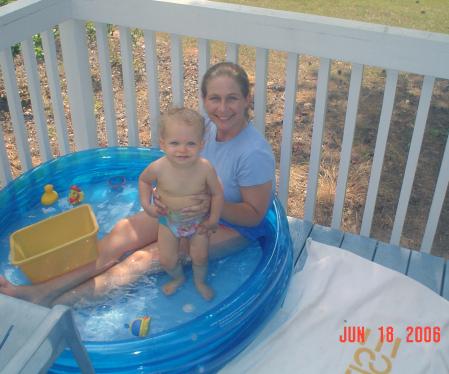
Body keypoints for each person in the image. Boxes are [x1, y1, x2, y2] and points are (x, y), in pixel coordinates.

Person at [0, 62, 276, 308]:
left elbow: (254, 216)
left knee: (141, 260)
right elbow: (178, 162)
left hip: (230, 226)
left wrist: (211, 205)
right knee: (121, 233)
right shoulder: (206, 128)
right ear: (204, 100)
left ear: (247, 99)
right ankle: (41, 292)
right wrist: (164, 188)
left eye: (232, 99)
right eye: (215, 98)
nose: (223, 108)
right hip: (184, 208)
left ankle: (56, 309)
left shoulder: (253, 152)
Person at [139, 107, 223, 301]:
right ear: (163, 144)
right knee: (167, 259)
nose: (182, 149)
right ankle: (178, 278)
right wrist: (147, 205)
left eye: (190, 143)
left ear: (201, 145)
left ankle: (200, 282)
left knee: (200, 256)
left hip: (198, 221)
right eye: (175, 143)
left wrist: (214, 220)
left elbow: (218, 193)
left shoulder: (204, 168)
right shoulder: (158, 167)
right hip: (168, 221)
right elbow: (144, 181)